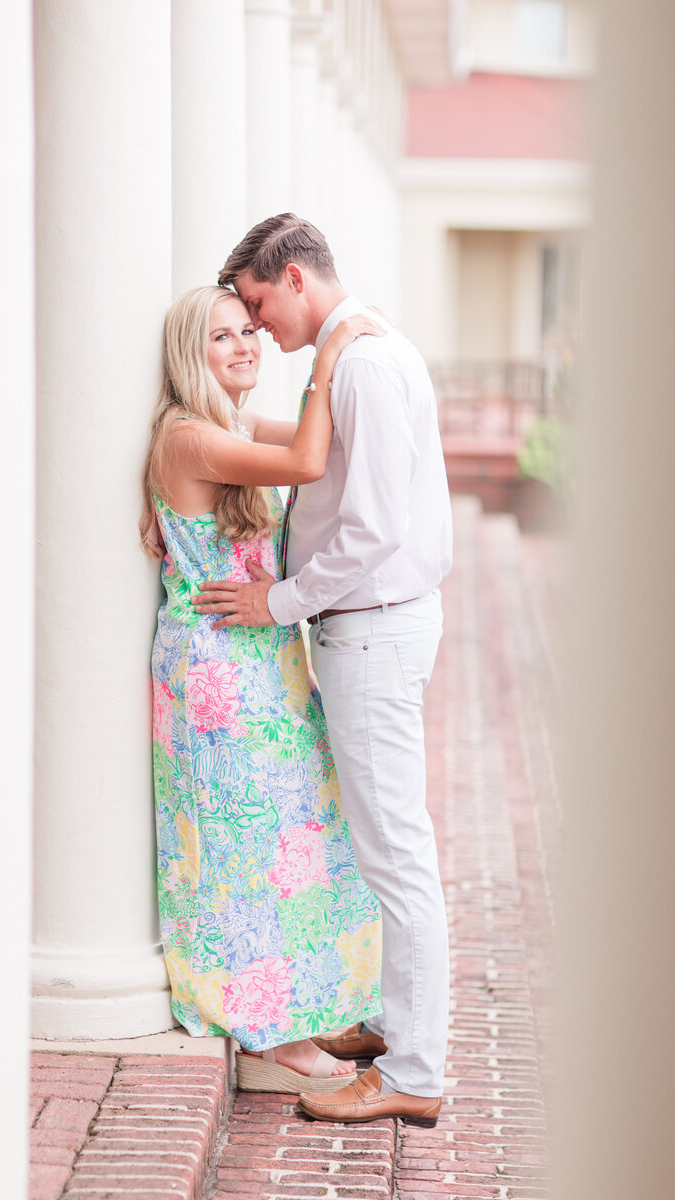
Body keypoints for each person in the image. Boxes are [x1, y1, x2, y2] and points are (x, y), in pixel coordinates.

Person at [192, 214, 453, 1127]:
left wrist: (280, 601)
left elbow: (374, 528)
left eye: (258, 306)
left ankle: (415, 1074)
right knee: (383, 844)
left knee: (396, 854)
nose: (256, 327)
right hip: (367, 631)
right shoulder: (352, 356)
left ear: (296, 278)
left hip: (373, 628)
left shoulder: (368, 365)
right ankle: (392, 1026)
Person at [140, 284, 385, 1094]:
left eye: (250, 329)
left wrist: (366, 374)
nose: (246, 345)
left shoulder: (228, 426)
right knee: (244, 848)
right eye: (223, 337)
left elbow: (336, 447)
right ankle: (265, 1030)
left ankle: (301, 1004)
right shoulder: (190, 438)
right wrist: (329, 350)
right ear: (190, 355)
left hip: (261, 654)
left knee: (295, 835)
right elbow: (307, 460)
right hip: (217, 670)